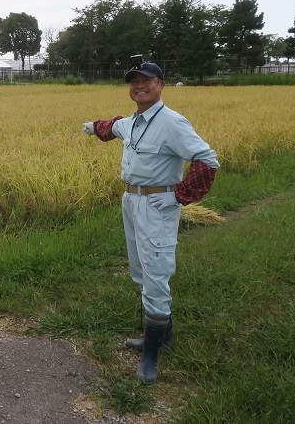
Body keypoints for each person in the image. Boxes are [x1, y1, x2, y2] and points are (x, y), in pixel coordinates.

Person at [82, 61, 219, 384]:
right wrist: (92, 126)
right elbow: (112, 127)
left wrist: (180, 195)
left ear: (161, 84)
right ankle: (162, 337)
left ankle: (150, 357)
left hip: (157, 205)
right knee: (141, 270)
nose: (139, 86)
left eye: (146, 81)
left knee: (156, 273)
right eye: (134, 82)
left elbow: (207, 160)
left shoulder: (172, 123)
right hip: (131, 201)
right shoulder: (133, 122)